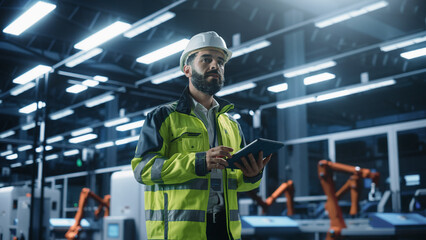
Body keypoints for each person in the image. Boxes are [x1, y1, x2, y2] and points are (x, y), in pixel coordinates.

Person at [131, 31, 271, 240]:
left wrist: (252, 175)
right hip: (179, 234)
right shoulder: (163, 117)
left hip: (226, 231)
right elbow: (143, 170)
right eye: (206, 59)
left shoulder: (231, 124)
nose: (215, 66)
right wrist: (198, 162)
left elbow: (239, 184)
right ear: (187, 70)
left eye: (221, 62)